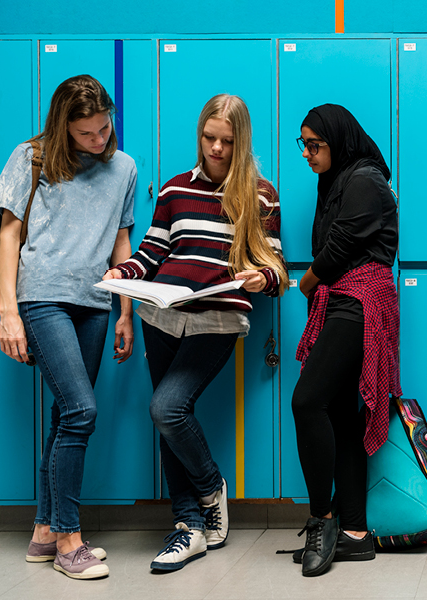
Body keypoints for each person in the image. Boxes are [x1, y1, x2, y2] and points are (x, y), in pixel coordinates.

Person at [104, 94, 287, 571]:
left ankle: (210, 489)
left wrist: (258, 277)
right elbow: (151, 253)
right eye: (210, 138)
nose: (217, 149)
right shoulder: (172, 190)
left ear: (241, 141)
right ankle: (188, 528)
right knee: (168, 421)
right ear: (200, 135)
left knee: (167, 407)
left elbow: (276, 270)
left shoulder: (261, 195)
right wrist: (125, 274)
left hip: (217, 318)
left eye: (227, 141)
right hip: (162, 315)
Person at [0, 74, 137, 580]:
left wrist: (125, 312)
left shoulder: (124, 168)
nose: (99, 140)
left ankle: (43, 531)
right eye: (86, 134)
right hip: (43, 297)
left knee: (63, 417)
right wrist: (9, 310)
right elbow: (9, 235)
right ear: (63, 128)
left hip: (95, 302)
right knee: (81, 410)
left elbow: (121, 243)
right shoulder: (31, 157)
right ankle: (69, 538)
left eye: (103, 128)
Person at [289, 104, 400, 577]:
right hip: (345, 301)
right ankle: (355, 532)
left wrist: (308, 281)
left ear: (339, 139)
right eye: (304, 146)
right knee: (337, 413)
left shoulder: (364, 179)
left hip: (360, 301)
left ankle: (323, 519)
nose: (309, 154)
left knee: (306, 401)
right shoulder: (337, 181)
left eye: (315, 145)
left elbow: (339, 247)